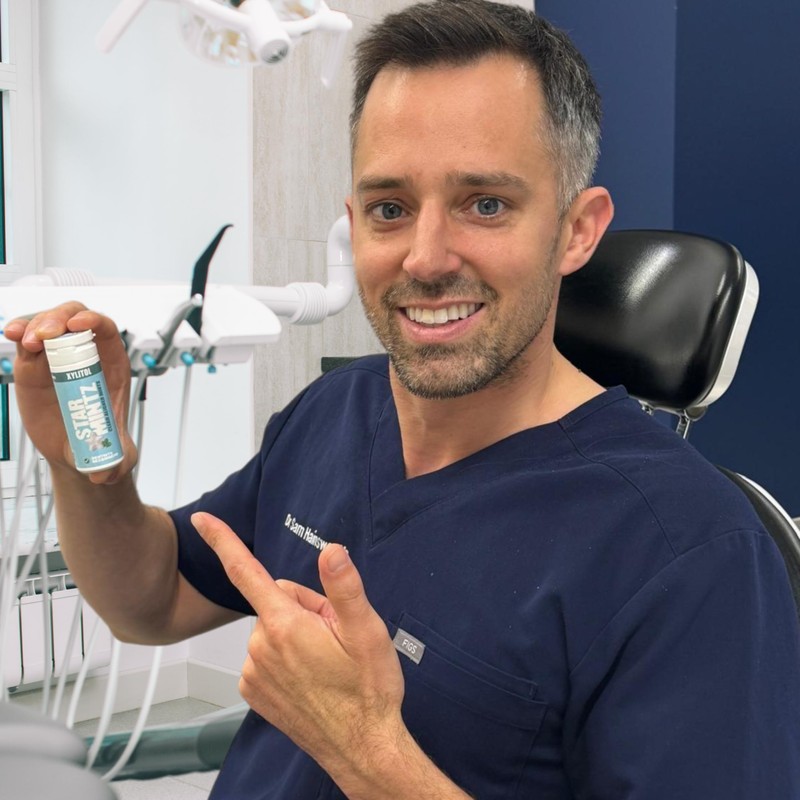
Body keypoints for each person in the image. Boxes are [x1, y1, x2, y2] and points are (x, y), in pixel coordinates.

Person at [5, 1, 800, 797]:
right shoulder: (333, 413)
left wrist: (365, 751)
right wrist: (89, 471)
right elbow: (152, 602)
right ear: (355, 226)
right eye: (390, 209)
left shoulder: (687, 552)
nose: (425, 258)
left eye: (485, 204)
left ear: (577, 230)